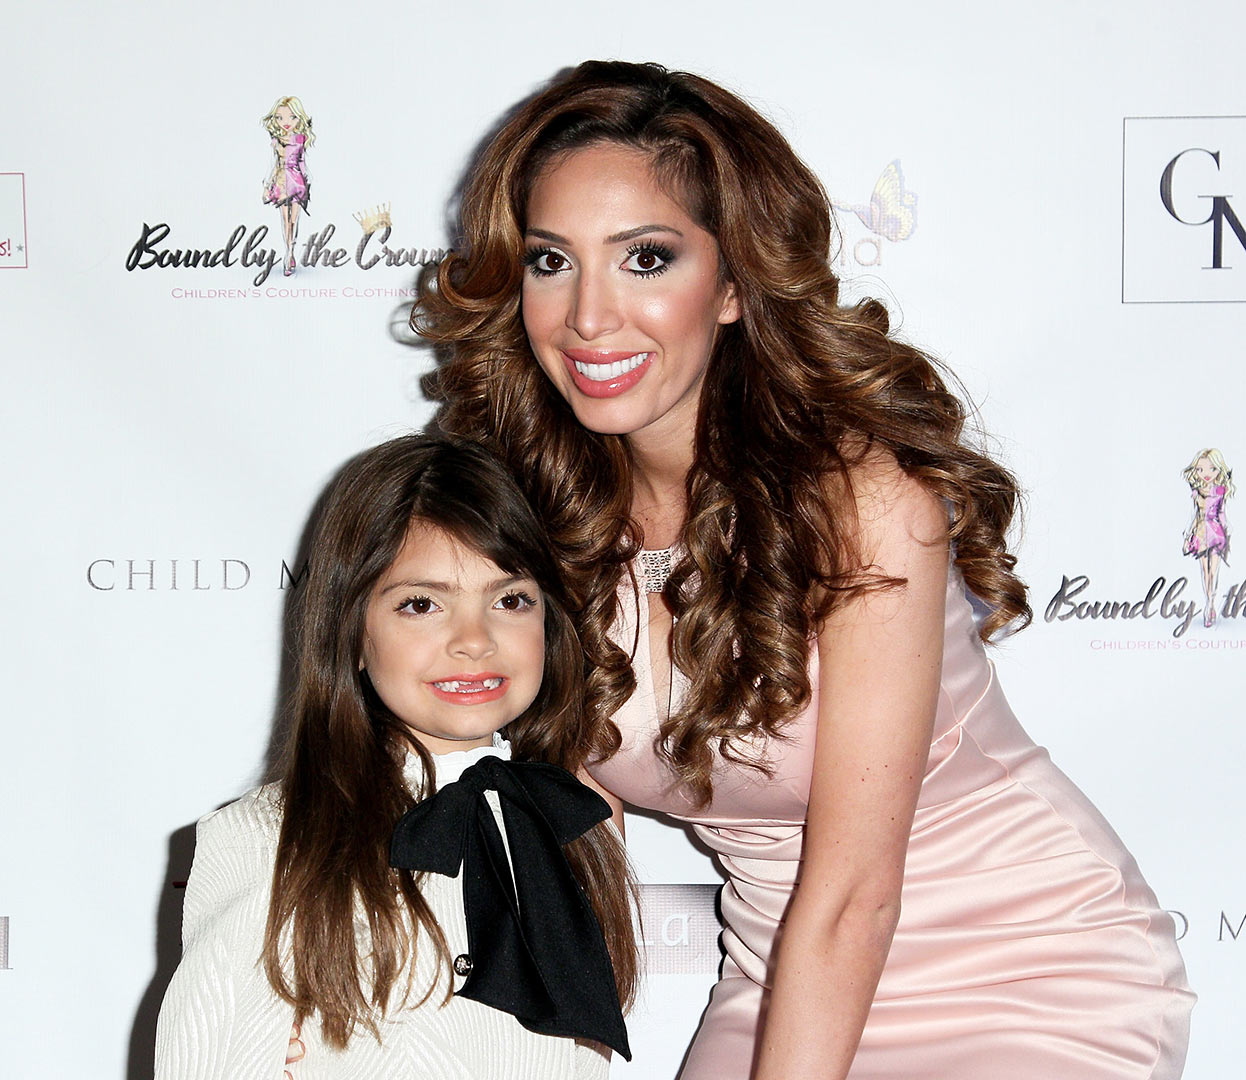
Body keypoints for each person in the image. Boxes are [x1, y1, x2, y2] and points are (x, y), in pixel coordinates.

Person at [415, 60, 1195, 1080]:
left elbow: (856, 895)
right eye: (551, 262)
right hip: (776, 978)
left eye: (645, 259)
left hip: (1029, 972)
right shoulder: (535, 519)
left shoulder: (863, 504)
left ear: (734, 284)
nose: (589, 316)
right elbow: (573, 851)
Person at [154, 435, 636, 1079]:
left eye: (510, 600)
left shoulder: (572, 823)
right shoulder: (265, 836)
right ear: (353, 631)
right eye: (421, 604)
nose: (474, 640)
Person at [261, 95, 314, 277]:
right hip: (281, 181)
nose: (286, 122)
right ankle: (288, 253)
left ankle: (291, 251)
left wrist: (307, 179)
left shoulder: (300, 139)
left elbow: (302, 162)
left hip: (296, 181)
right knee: (285, 220)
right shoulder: (276, 140)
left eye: (292, 117)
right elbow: (273, 164)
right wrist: (267, 185)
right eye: (280, 117)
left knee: (293, 220)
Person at [1181, 447, 1233, 628]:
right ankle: (1208, 604)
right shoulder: (1196, 491)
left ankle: (1211, 603)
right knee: (1205, 571)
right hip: (1201, 532)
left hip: (1216, 532)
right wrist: (1187, 535)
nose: (1206, 474)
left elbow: (1222, 513)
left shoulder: (1220, 490)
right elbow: (1193, 515)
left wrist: (1227, 529)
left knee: (1213, 572)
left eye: (1212, 469)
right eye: (1200, 469)